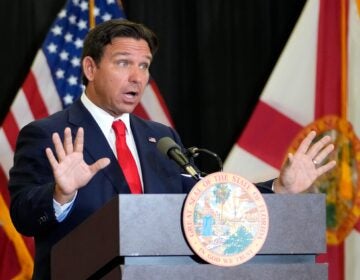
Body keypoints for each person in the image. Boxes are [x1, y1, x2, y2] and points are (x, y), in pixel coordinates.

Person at [8, 19, 336, 279]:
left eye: (145, 65)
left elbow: (205, 203)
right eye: (124, 63)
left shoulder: (160, 138)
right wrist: (60, 194)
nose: (138, 77)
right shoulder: (47, 133)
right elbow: (23, 216)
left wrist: (279, 188)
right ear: (90, 69)